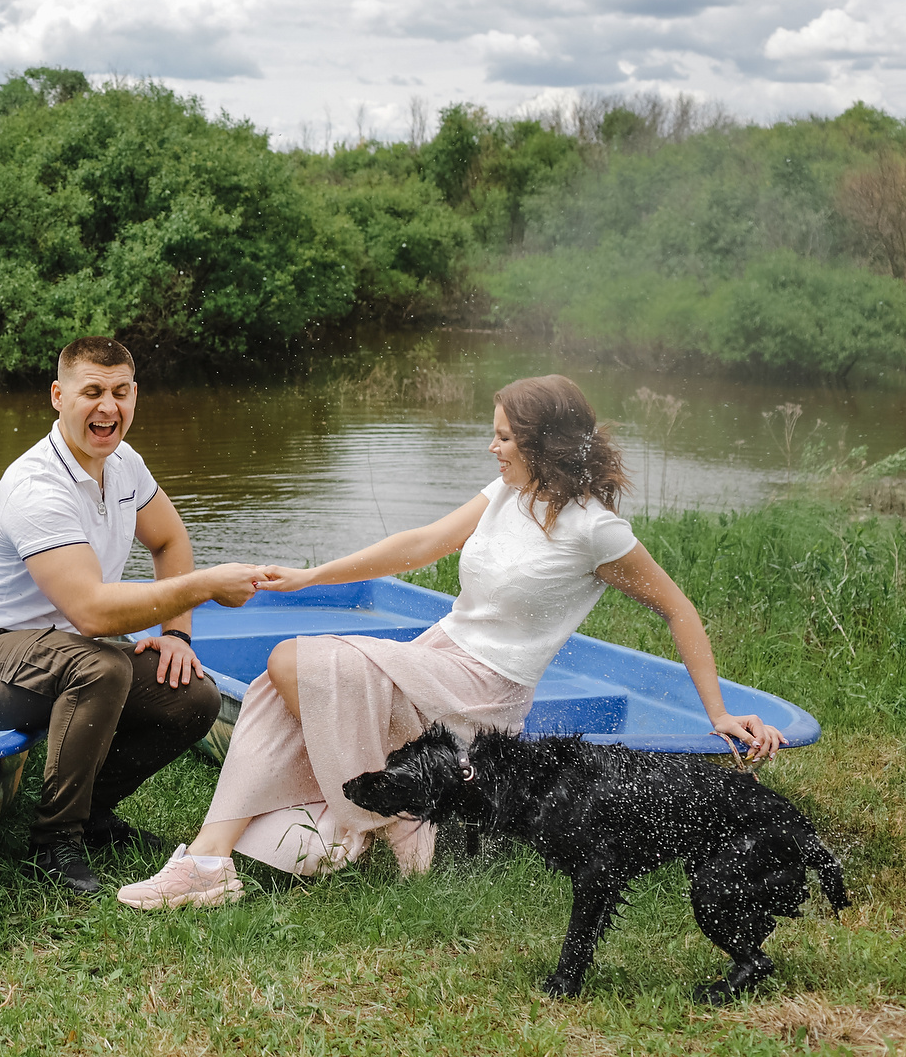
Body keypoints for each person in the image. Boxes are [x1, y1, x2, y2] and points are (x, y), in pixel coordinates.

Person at [115, 374, 787, 911]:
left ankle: (384, 812)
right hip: (437, 656)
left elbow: (678, 608)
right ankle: (211, 860)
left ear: (545, 443)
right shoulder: (508, 492)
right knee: (280, 685)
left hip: (484, 692)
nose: (492, 447)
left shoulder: (596, 530)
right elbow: (420, 543)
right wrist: (311, 576)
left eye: (504, 437)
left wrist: (719, 713)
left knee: (290, 660)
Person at [0, 336, 275, 895]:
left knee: (191, 695)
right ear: (58, 396)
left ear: (135, 395)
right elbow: (93, 613)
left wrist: (177, 635)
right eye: (92, 391)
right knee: (102, 666)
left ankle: (92, 814)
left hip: (70, 654)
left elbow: (169, 539)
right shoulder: (36, 485)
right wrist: (204, 587)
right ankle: (53, 844)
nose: (108, 407)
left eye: (120, 392)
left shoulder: (124, 464)